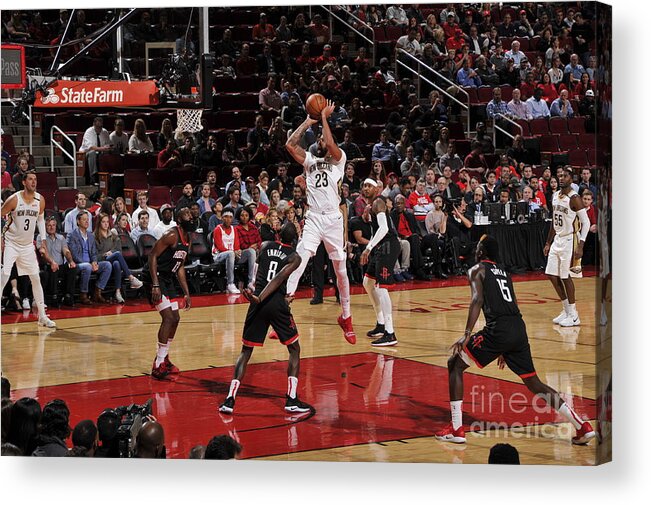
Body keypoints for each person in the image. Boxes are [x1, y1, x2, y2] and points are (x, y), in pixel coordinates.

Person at [435, 235, 596, 446]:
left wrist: (467, 333)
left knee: (454, 365)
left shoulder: (477, 270)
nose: (476, 250)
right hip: (517, 329)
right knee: (534, 382)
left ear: (482, 251)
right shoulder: (504, 273)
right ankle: (582, 426)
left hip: (499, 329)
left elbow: (477, 299)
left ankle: (456, 428)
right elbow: (507, 303)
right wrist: (504, 347)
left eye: (479, 247)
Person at [219, 223, 312, 414]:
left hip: (257, 300)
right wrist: (267, 297)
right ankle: (292, 399)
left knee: (246, 351)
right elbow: (278, 277)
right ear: (295, 239)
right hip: (274, 302)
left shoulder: (265, 246)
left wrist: (256, 295)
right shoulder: (295, 257)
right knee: (294, 349)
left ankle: (229, 400)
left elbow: (258, 271)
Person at [284, 101, 356, 344]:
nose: (321, 141)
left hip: (334, 219)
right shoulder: (309, 162)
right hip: (314, 217)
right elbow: (289, 145)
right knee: (299, 259)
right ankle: (285, 313)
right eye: (320, 139)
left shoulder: (339, 160)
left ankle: (346, 317)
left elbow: (332, 144)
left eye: (323, 139)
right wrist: (309, 121)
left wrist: (325, 117)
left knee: (341, 271)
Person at [0, 171, 56, 327]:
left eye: (35, 179)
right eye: (30, 179)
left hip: (27, 245)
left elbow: (40, 219)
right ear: (24, 182)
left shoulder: (40, 200)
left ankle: (42, 317)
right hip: (11, 242)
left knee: (35, 278)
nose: (34, 182)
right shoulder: (14, 199)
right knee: (4, 275)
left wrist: (43, 239)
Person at [143, 208, 193, 379]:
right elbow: (152, 256)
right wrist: (155, 285)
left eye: (192, 214)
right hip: (154, 277)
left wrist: (186, 293)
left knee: (176, 318)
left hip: (168, 278)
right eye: (187, 214)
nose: (191, 216)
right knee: (168, 318)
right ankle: (158, 365)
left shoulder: (188, 240)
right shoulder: (172, 235)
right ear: (179, 219)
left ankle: (164, 358)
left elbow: (179, 267)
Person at [543, 166, 591, 327]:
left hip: (570, 240)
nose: (561, 178)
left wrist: (581, 245)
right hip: (557, 239)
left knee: (565, 277)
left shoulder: (574, 198)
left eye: (565, 176)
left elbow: (586, 223)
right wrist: (548, 242)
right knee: (551, 275)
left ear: (572, 178)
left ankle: (574, 314)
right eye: (560, 175)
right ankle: (566, 310)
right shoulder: (556, 195)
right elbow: (553, 220)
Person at [360, 182, 401, 347]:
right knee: (367, 283)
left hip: (388, 246)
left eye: (369, 186)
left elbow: (384, 229)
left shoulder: (378, 201)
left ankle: (390, 333)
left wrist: (367, 248)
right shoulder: (371, 206)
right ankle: (381, 324)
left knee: (381, 287)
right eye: (363, 186)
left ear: (376, 189)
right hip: (380, 248)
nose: (365, 188)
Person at [95, 213, 143, 303]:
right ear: (99, 223)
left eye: (107, 222)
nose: (106, 224)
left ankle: (118, 292)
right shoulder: (95, 237)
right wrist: (105, 254)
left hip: (111, 261)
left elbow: (119, 250)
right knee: (116, 254)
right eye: (103, 222)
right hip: (101, 261)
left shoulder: (113, 235)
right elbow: (94, 254)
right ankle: (131, 278)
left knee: (117, 263)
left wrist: (111, 253)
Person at [212, 209, 255, 294]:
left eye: (230, 217)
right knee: (230, 253)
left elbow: (237, 245)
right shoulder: (218, 229)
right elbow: (220, 247)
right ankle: (230, 283)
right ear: (222, 218)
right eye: (226, 217)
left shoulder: (234, 229)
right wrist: (234, 252)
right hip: (219, 256)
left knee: (251, 252)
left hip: (233, 255)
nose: (228, 219)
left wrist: (238, 251)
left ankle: (251, 282)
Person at [37, 216, 77, 307]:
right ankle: (53, 296)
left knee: (73, 268)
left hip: (60, 265)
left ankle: (68, 295)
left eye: (53, 225)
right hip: (47, 265)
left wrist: (71, 261)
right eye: (49, 226)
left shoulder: (61, 238)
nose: (51, 227)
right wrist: (52, 262)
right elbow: (42, 252)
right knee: (53, 269)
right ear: (45, 227)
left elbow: (66, 251)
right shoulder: (41, 237)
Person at [79, 117, 111, 185]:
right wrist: (102, 148)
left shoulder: (105, 132)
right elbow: (91, 147)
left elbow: (108, 144)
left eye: (100, 127)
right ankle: (93, 177)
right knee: (92, 153)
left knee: (108, 154)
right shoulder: (89, 132)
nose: (99, 129)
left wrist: (108, 147)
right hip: (86, 154)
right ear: (94, 124)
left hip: (100, 153)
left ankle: (107, 178)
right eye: (97, 127)